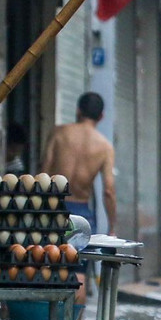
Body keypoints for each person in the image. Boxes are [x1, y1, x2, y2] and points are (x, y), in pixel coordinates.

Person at [42, 92, 118, 303]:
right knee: (79, 273)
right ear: (101, 116)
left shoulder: (58, 134)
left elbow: (43, 174)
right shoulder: (104, 147)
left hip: (54, 208)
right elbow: (109, 190)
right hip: (82, 214)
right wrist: (112, 226)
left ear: (78, 110)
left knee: (47, 264)